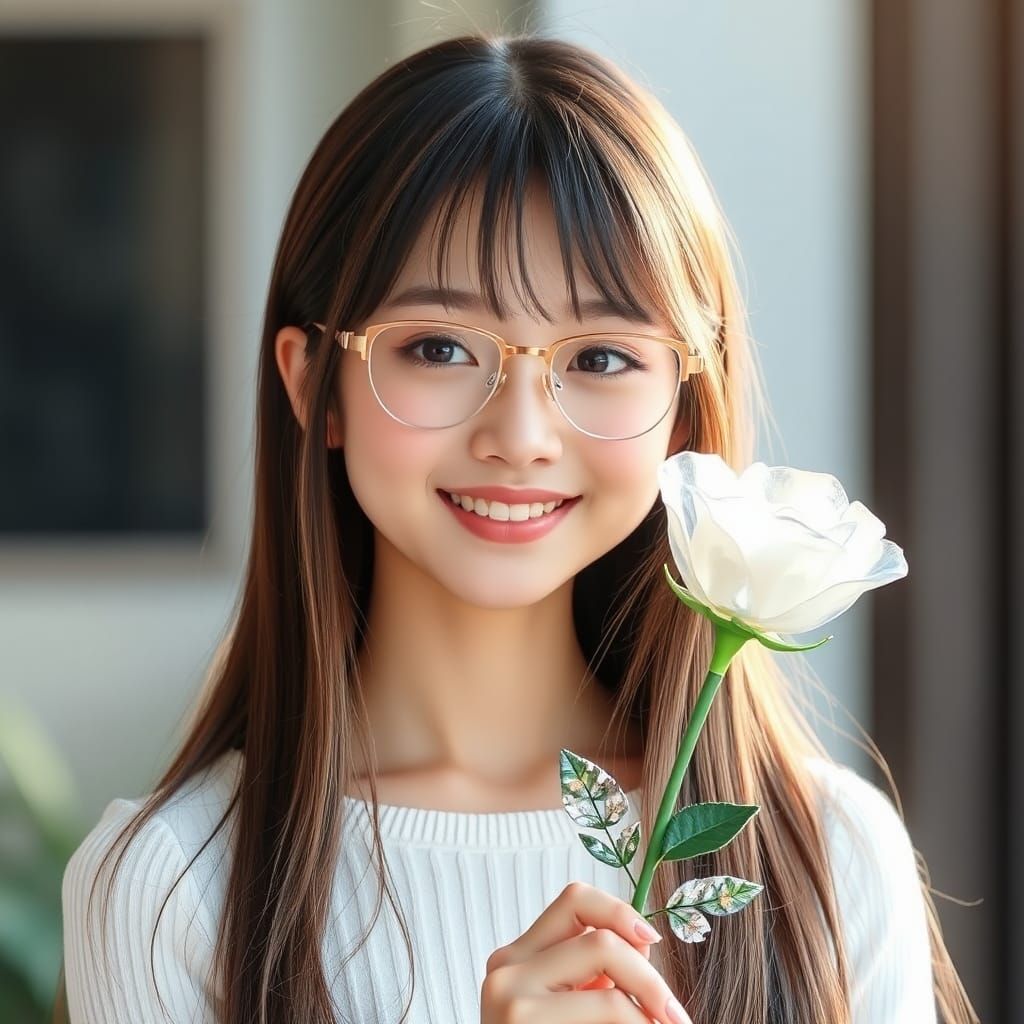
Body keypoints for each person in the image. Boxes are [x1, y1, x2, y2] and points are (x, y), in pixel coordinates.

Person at [60, 30, 978, 1024]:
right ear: (310, 383)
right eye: (441, 346)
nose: (520, 434)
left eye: (600, 358)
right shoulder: (173, 887)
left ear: (683, 397)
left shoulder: (825, 858)